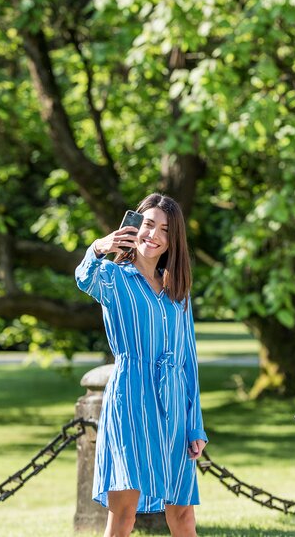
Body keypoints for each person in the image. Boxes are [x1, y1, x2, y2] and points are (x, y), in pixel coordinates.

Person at [75, 193, 208, 537]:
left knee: (183, 517)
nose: (154, 235)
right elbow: (83, 278)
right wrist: (98, 246)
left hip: (175, 408)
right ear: (136, 226)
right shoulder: (113, 277)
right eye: (149, 224)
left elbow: (188, 361)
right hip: (131, 401)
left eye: (165, 229)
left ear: (172, 239)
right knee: (124, 517)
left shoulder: (178, 291)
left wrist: (195, 426)